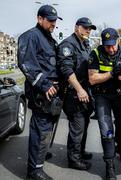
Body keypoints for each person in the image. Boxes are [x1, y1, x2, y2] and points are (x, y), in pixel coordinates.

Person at [17, 5, 62, 180]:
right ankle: (34, 170)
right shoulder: (30, 36)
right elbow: (27, 64)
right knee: (41, 129)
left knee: (47, 127)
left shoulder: (48, 38)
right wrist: (44, 85)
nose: (53, 23)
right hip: (41, 92)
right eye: (50, 20)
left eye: (55, 20)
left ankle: (39, 157)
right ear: (39, 18)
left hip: (52, 91)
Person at [88, 28, 121, 179]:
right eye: (107, 46)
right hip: (103, 96)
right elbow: (93, 79)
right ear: (102, 43)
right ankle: (110, 165)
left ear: (118, 41)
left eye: (113, 45)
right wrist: (112, 73)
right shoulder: (95, 54)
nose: (111, 49)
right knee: (106, 130)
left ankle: (120, 148)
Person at [57, 17, 96, 170]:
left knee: (84, 124)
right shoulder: (68, 45)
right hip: (73, 93)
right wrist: (79, 89)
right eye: (85, 27)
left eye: (90, 28)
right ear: (76, 28)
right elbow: (67, 70)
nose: (88, 30)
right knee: (77, 126)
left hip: (85, 92)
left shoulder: (85, 44)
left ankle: (80, 151)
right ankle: (74, 159)